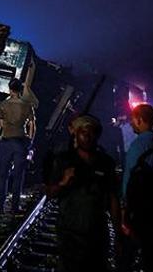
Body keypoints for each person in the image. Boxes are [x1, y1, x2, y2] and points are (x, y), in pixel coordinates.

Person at [45, 115, 119, 272]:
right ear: (76, 134)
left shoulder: (106, 163)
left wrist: (117, 229)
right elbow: (50, 193)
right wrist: (63, 182)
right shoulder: (63, 161)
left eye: (91, 132)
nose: (87, 136)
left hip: (97, 232)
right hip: (69, 233)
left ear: (97, 135)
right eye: (83, 132)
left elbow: (113, 197)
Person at [121, 103, 153, 272]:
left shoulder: (137, 146)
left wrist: (124, 209)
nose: (131, 123)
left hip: (139, 207)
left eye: (133, 120)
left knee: (130, 251)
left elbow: (128, 179)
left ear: (140, 120)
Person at [0, 78, 35, 213]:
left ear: (10, 89)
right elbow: (32, 124)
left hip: (6, 141)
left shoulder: (3, 105)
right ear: (20, 89)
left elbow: (1, 124)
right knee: (18, 175)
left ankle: (0, 207)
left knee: (3, 175)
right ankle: (14, 207)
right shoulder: (27, 105)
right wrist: (30, 140)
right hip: (20, 142)